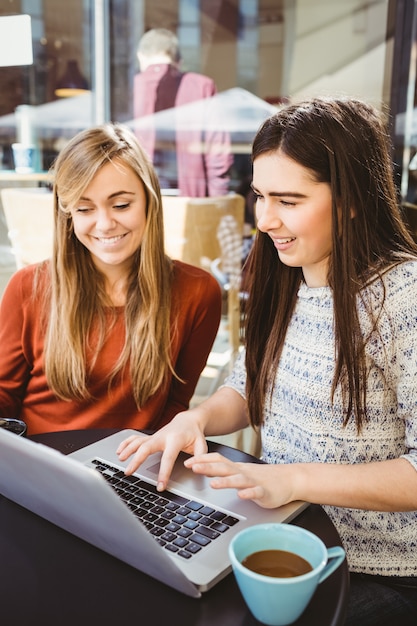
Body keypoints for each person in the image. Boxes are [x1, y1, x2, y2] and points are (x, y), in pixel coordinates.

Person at [117, 97, 417, 625]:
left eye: (289, 199)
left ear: (350, 199)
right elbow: (251, 383)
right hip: (284, 535)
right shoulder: (288, 276)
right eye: (259, 195)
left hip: (380, 569)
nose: (265, 218)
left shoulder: (404, 296)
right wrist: (197, 419)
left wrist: (294, 480)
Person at [0, 123, 222, 436]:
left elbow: (175, 404)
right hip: (38, 462)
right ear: (68, 215)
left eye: (121, 205)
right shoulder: (27, 287)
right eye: (84, 208)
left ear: (148, 201)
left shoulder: (198, 292)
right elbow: (4, 396)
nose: (104, 224)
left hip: (129, 468)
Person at [133, 28, 233, 196]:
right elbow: (218, 150)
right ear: (179, 61)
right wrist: (217, 200)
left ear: (140, 56)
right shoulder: (202, 86)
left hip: (140, 196)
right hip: (190, 198)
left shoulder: (125, 87)